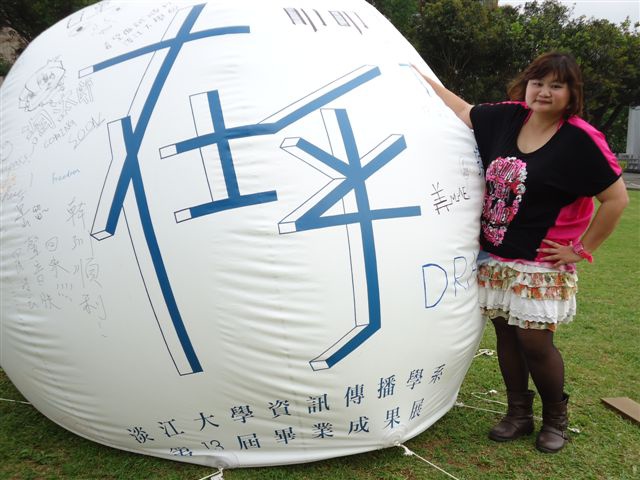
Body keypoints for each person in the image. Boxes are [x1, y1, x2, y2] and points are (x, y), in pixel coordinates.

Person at [414, 52, 629, 453]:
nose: (544, 92)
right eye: (538, 82)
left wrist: (581, 249)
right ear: (526, 85)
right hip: (496, 257)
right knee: (506, 338)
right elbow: (461, 109)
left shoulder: (579, 139)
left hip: (541, 263)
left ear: (572, 93)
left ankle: (555, 419)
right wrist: (416, 77)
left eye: (556, 85)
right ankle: (517, 414)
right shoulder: (508, 117)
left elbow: (616, 199)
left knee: (535, 342)